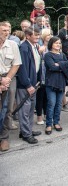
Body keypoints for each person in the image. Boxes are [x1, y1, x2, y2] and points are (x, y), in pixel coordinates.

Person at [16, 27, 42, 144]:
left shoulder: (34, 46)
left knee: (31, 108)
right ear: (27, 35)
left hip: (33, 83)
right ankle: (26, 134)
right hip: (25, 85)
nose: (38, 37)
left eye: (38, 35)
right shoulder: (24, 48)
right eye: (35, 35)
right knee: (24, 110)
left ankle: (27, 130)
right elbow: (22, 69)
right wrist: (28, 85)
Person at [0, 22, 22, 151]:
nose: (6, 32)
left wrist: (7, 79)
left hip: (9, 78)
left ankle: (4, 138)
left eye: (8, 30)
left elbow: (16, 64)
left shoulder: (13, 45)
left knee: (8, 109)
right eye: (3, 30)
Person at [43, 36, 68, 134]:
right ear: (51, 44)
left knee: (59, 104)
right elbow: (52, 67)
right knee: (51, 103)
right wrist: (62, 65)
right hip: (51, 82)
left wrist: (58, 64)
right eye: (56, 43)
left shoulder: (62, 54)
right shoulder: (48, 55)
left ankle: (56, 122)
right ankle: (48, 124)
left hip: (61, 82)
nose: (58, 45)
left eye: (59, 43)